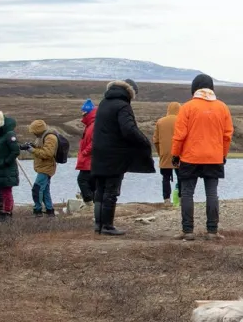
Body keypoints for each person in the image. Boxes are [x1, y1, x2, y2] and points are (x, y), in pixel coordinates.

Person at [88, 80, 155, 236]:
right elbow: (128, 129)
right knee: (111, 190)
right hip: (115, 154)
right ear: (130, 92)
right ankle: (108, 226)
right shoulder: (123, 106)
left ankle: (98, 225)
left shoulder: (104, 103)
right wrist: (144, 140)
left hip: (99, 152)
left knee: (100, 189)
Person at [172, 73, 234, 239]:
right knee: (212, 193)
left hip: (189, 157)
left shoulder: (187, 107)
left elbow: (179, 135)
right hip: (214, 157)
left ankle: (188, 231)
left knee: (187, 193)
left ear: (194, 88)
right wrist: (223, 155)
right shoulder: (222, 107)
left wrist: (175, 154)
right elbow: (227, 136)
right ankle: (212, 231)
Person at [0, 113, 20, 219]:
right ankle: (6, 210)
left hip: (6, 168)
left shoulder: (9, 134)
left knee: (6, 191)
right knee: (4, 190)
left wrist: (6, 162)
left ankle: (7, 211)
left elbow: (15, 151)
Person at [26, 118, 59, 216]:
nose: (33, 134)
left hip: (47, 168)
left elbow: (48, 153)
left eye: (34, 132)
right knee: (44, 190)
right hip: (43, 167)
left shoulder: (50, 138)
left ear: (38, 130)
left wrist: (32, 150)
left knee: (37, 188)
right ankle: (50, 210)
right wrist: (33, 146)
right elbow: (43, 149)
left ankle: (37, 211)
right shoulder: (42, 136)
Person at [153, 101, 181, 202]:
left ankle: (166, 199)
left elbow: (155, 140)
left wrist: (161, 153)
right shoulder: (181, 120)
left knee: (165, 178)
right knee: (181, 176)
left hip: (164, 154)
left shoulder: (160, 122)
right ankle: (181, 198)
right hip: (179, 154)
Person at [74, 99, 97, 206]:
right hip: (90, 159)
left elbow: (94, 142)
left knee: (82, 180)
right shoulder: (91, 124)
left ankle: (89, 203)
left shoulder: (93, 125)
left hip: (90, 159)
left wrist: (85, 152)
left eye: (84, 113)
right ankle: (94, 204)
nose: (82, 116)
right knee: (92, 183)